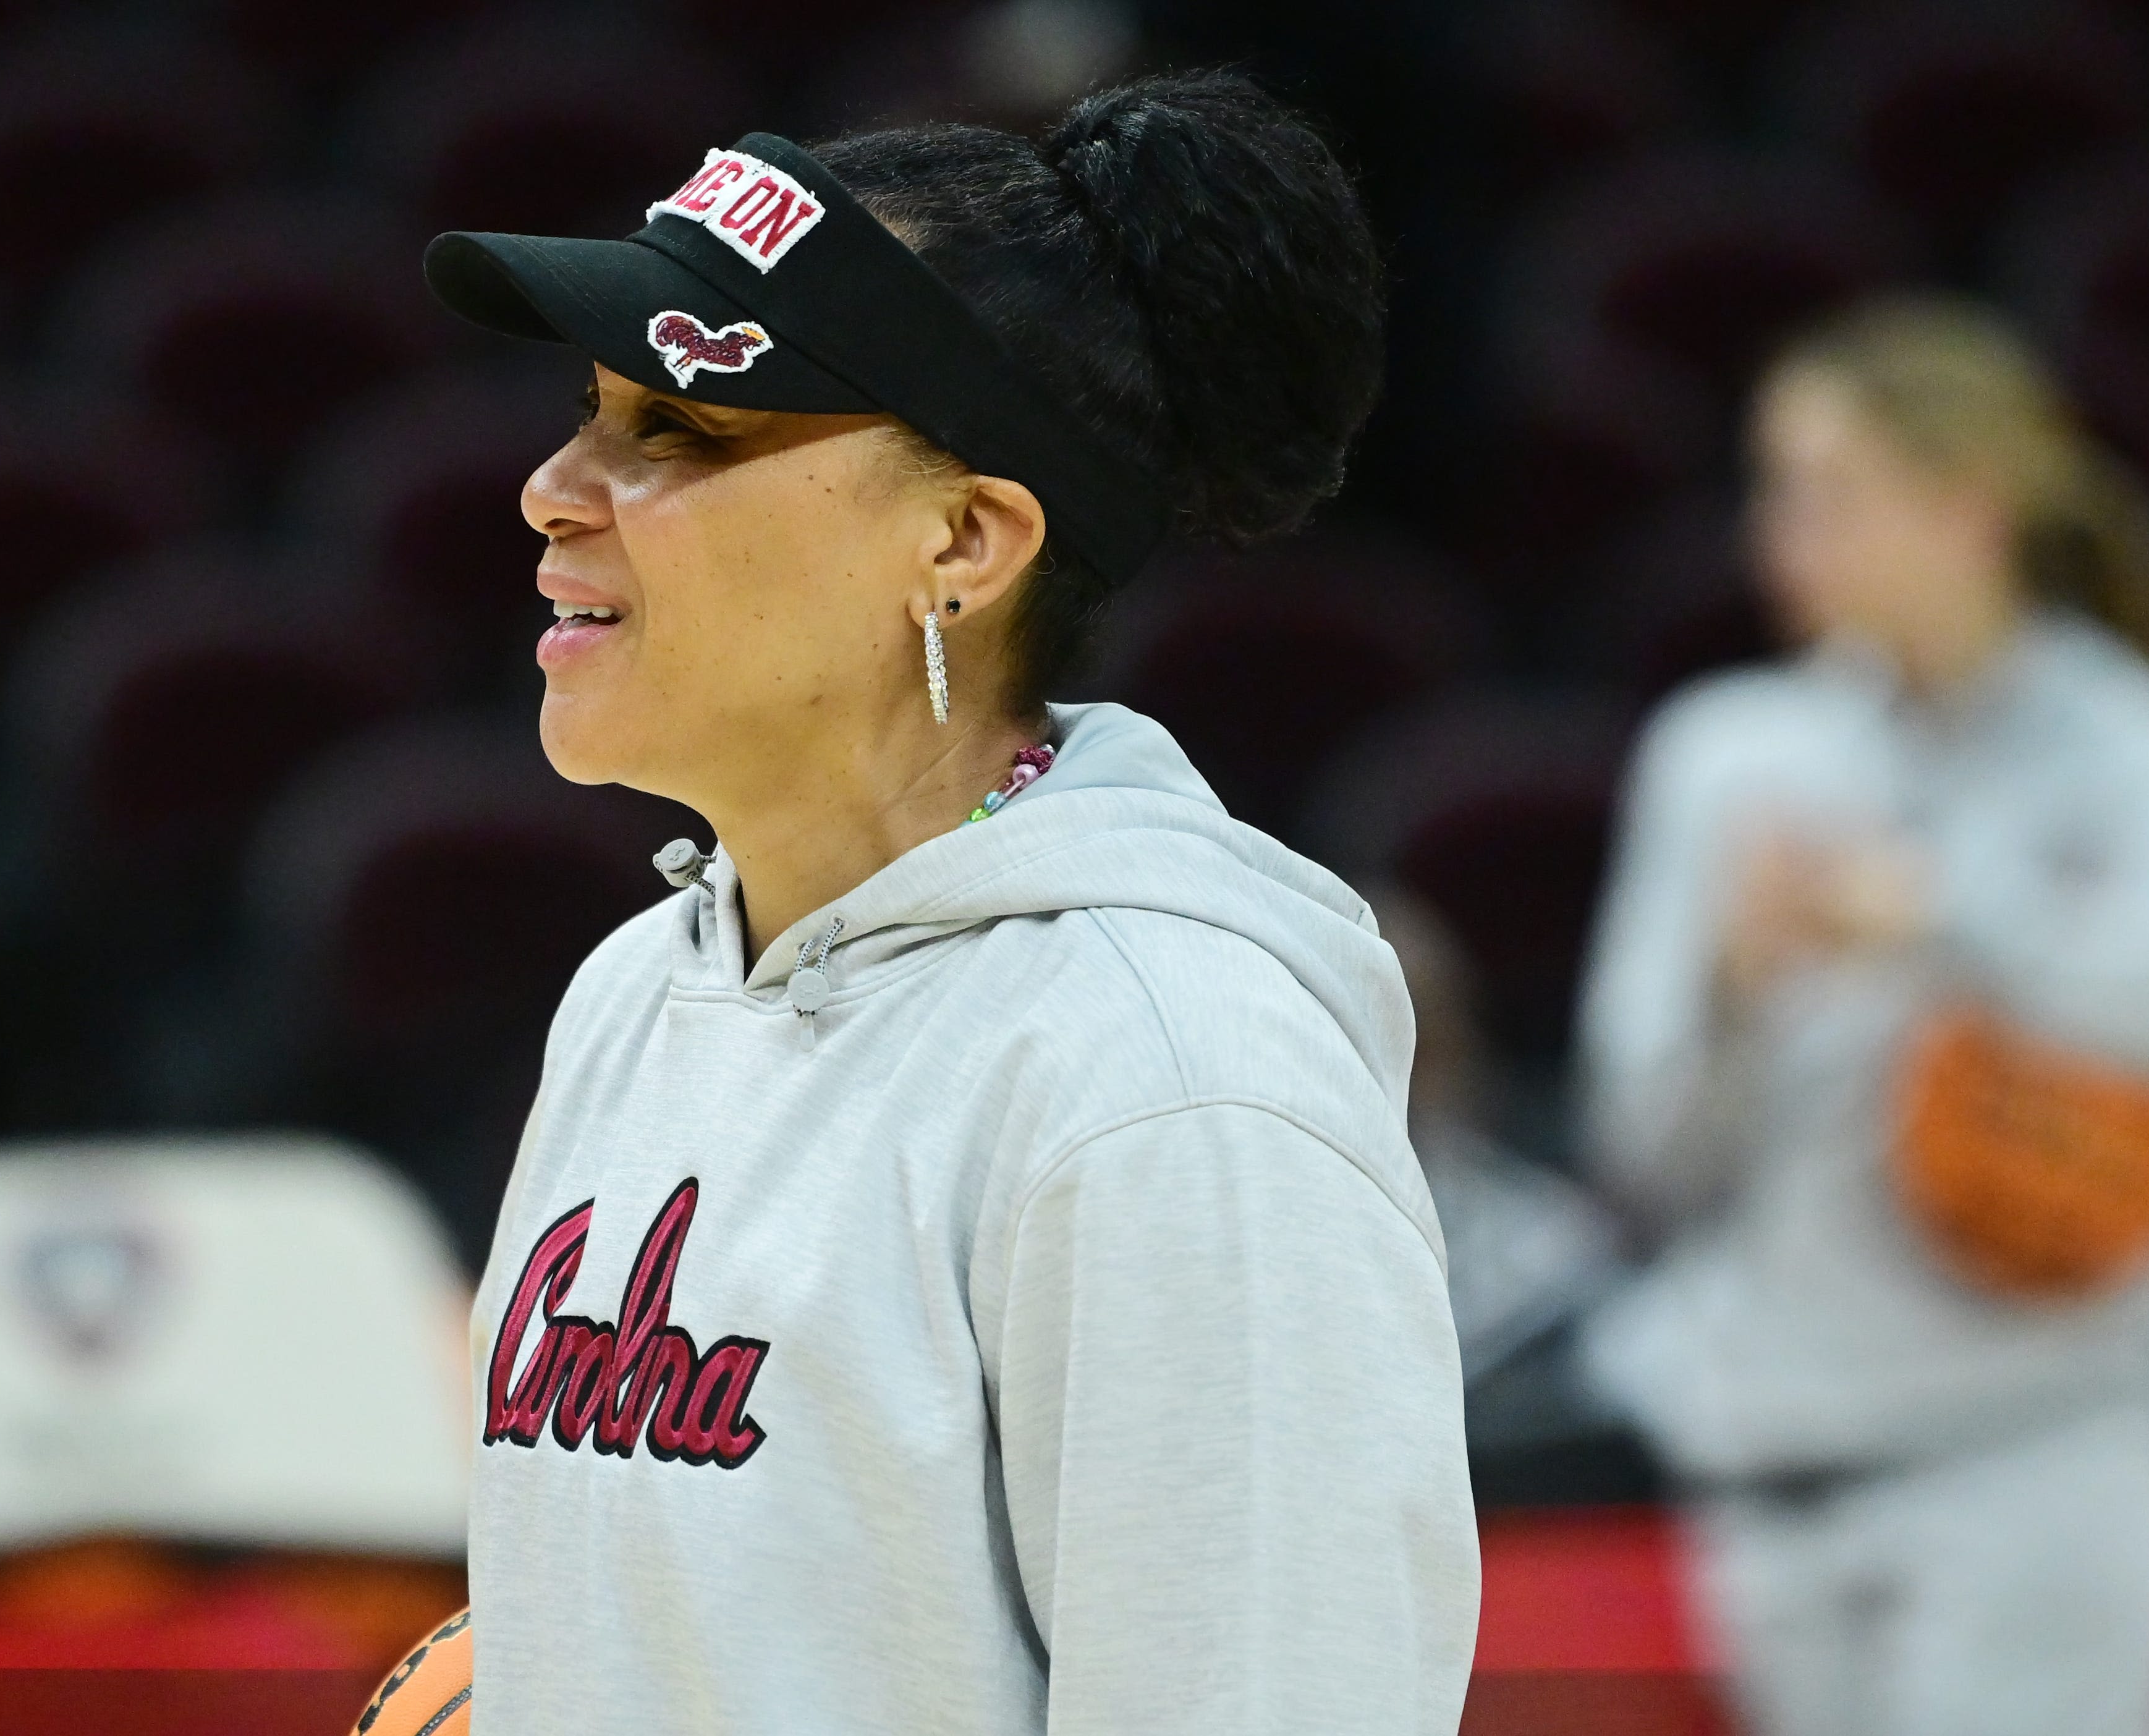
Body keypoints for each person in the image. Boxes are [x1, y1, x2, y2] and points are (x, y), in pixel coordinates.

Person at [413, 72, 1480, 1732]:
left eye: (679, 427)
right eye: (587, 412)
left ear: (965, 544)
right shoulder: (633, 993)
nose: (559, 486)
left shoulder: (1169, 1089)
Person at [1577, 294, 2149, 1736]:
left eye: (1830, 489)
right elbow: (1642, 1151)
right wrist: (1738, 990)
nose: (1781, 528)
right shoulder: (1726, 757)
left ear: (1969, 510)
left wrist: (1950, 923)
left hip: (2034, 1465)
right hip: (1775, 1486)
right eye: (1773, 486)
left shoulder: (2142, 756)